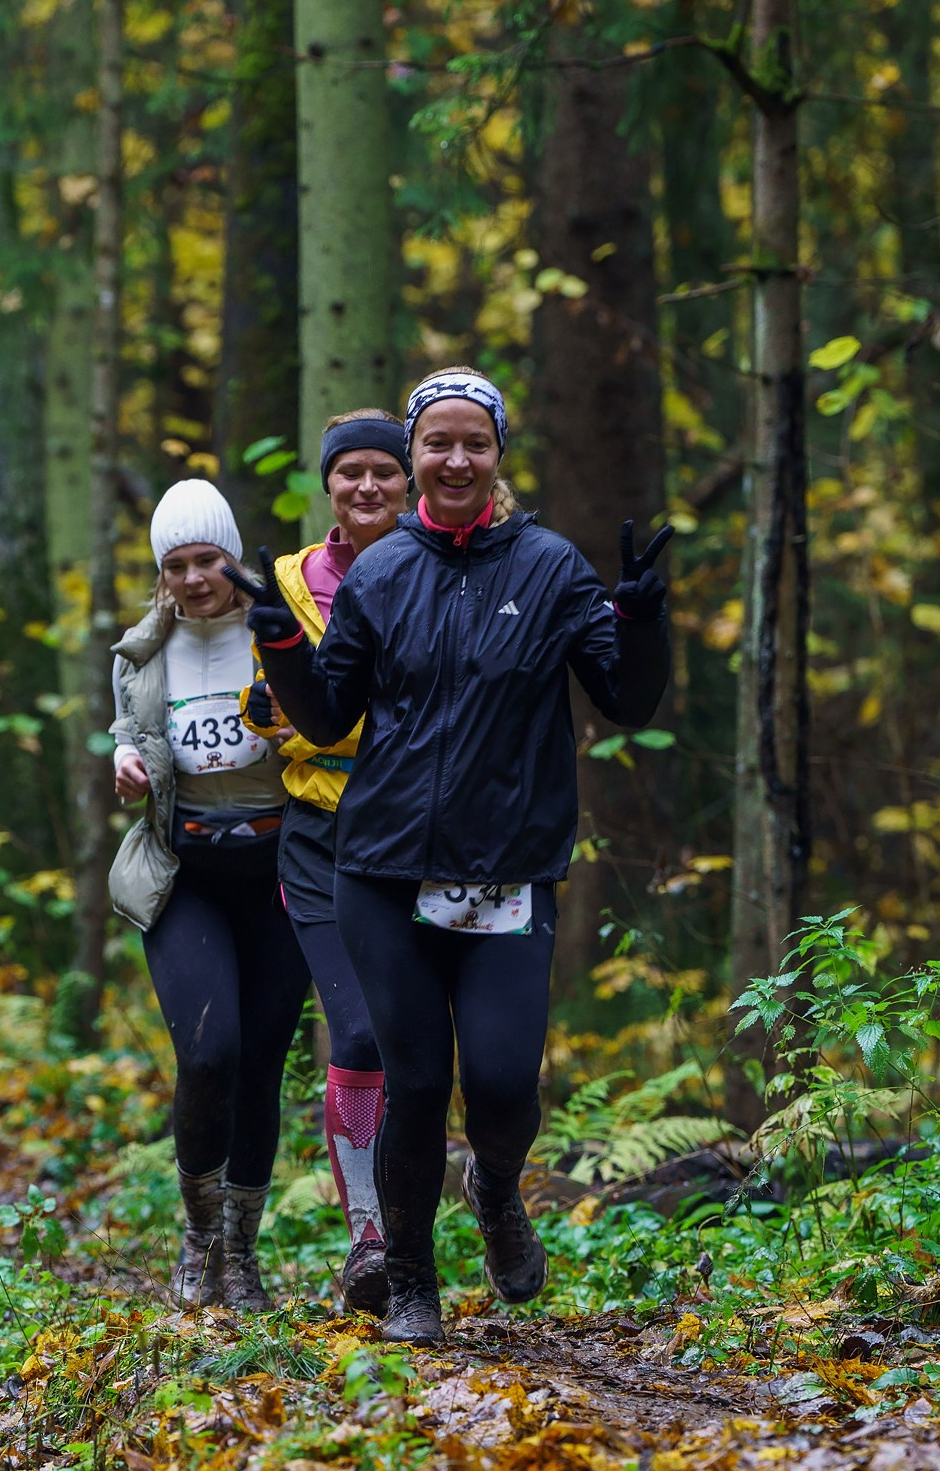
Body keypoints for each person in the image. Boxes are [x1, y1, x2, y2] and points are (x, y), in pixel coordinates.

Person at [238, 368, 674, 1344]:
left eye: (472, 442)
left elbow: (627, 700)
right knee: (415, 1080)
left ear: (495, 455)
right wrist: (278, 645)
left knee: (505, 1080)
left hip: (508, 873)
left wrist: (641, 620)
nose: (453, 458)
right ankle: (412, 1286)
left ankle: (497, 1187)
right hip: (382, 873)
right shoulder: (383, 571)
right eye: (435, 442)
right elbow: (325, 712)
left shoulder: (553, 568)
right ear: (413, 457)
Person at [108, 480, 314, 1312]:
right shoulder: (140, 651)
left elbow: (327, 726)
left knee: (261, 1067)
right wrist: (124, 765)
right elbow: (129, 739)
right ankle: (197, 1237)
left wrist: (292, 727)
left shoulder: (279, 630)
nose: (194, 579)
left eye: (206, 560)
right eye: (175, 565)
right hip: (185, 873)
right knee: (208, 1052)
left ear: (232, 555)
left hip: (278, 871)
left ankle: (242, 1250)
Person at [252, 410, 411, 1314]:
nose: (365, 487)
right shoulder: (288, 584)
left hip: (423, 828)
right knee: (354, 1035)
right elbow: (284, 707)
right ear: (329, 485)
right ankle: (369, 1242)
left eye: (382, 473)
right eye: (348, 473)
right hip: (318, 833)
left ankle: (421, 1222)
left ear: (409, 481)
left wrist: (316, 716)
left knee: (415, 1043)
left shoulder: (444, 570)